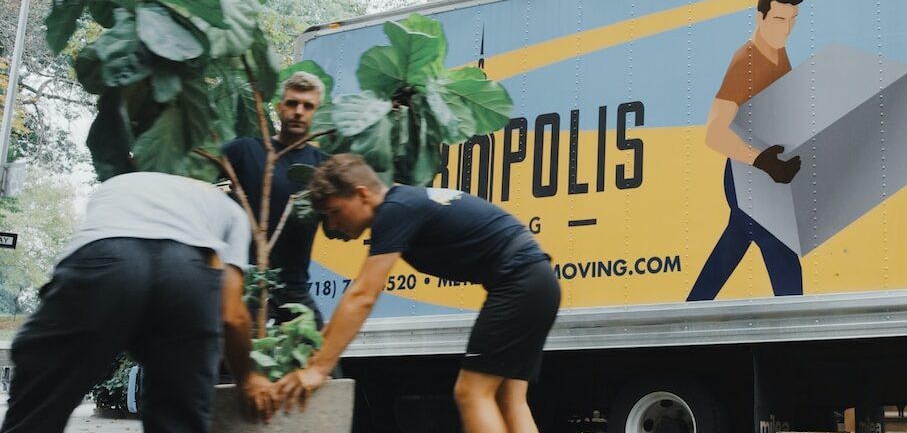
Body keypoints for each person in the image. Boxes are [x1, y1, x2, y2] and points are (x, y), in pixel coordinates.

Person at [277, 154, 560, 433]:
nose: (332, 225)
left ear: (362, 194)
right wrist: (315, 358)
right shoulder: (404, 203)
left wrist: (318, 370)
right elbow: (356, 294)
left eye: (334, 212)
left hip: (520, 281)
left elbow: (363, 295)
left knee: (471, 393)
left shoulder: (394, 210)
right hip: (537, 281)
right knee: (509, 399)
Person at [1, 172, 278, 433]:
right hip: (186, 276)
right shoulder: (232, 213)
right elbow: (233, 316)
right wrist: (248, 378)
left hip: (105, 257)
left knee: (35, 411)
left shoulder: (118, 184)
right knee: (178, 422)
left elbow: (125, 300)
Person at [687, 0, 808, 301]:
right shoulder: (748, 62)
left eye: (793, 20)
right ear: (761, 16)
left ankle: (692, 309)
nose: (786, 29)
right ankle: (800, 334)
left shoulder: (778, 54)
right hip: (747, 178)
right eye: (779, 19)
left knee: (733, 242)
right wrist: (762, 161)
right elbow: (714, 132)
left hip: (765, 175)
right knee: (781, 250)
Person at [222, 71, 332, 326]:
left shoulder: (323, 166)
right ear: (280, 106)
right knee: (240, 363)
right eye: (292, 103)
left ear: (316, 112)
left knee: (320, 361)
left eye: (308, 106)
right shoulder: (245, 150)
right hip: (247, 285)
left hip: (295, 288)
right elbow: (196, 173)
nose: (298, 111)